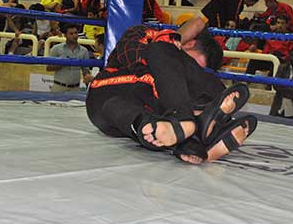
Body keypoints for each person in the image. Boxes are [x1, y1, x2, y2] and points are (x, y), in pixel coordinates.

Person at [87, 16, 255, 164]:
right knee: (160, 52)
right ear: (189, 44)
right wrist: (172, 43)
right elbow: (135, 56)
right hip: (106, 90)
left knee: (143, 121)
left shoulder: (173, 89)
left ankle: (192, 141)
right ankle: (197, 122)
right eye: (191, 65)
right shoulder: (145, 36)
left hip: (125, 116)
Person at [47, 24, 92, 91]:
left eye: (76, 33)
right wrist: (60, 64)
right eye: (71, 34)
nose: (74, 35)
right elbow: (48, 68)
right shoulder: (56, 48)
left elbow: (85, 71)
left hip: (76, 88)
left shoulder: (84, 51)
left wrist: (89, 85)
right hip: (59, 87)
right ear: (65, 35)